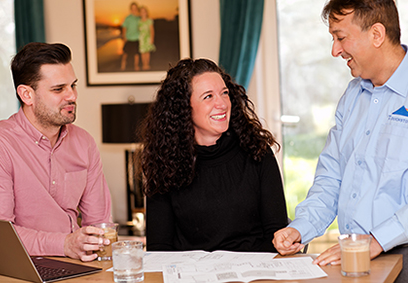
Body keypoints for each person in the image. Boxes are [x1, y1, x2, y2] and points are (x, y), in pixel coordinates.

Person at [272, 0, 408, 281]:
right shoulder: (353, 96)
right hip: (356, 257)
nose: (335, 50)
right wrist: (300, 228)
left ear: (377, 34)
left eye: (341, 37)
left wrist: (377, 241)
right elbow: (331, 177)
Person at [139, 58, 288, 252]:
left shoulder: (257, 151)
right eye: (208, 96)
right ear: (184, 108)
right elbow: (159, 248)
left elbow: (276, 235)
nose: (222, 104)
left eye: (224, 93)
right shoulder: (165, 163)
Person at [0, 42, 112, 262]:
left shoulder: (84, 143)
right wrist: (65, 244)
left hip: (79, 265)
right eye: (58, 89)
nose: (72, 96)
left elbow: (100, 223)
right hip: (19, 267)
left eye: (73, 85)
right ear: (27, 95)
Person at [121, 2, 141, 71]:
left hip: (136, 38)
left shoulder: (139, 18)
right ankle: (123, 66)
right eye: (132, 8)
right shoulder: (127, 18)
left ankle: (136, 66)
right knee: (125, 53)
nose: (134, 10)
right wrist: (124, 37)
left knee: (136, 54)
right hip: (128, 38)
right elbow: (124, 28)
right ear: (130, 9)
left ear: (137, 9)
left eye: (135, 8)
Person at [138, 6, 156, 71]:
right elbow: (138, 30)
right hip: (142, 38)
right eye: (141, 12)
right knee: (142, 52)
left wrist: (152, 38)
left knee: (147, 52)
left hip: (148, 37)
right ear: (140, 13)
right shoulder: (139, 21)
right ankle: (144, 64)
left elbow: (152, 30)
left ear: (146, 12)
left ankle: (147, 64)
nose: (143, 13)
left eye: (144, 11)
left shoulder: (149, 20)